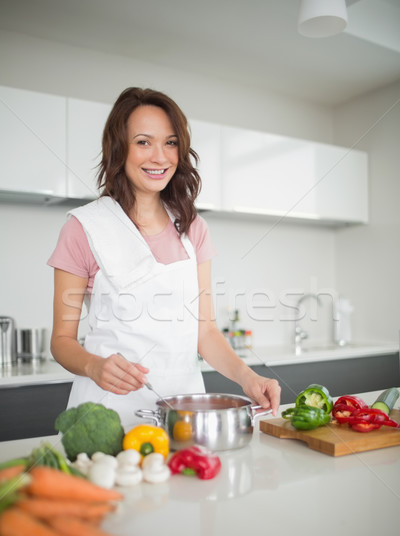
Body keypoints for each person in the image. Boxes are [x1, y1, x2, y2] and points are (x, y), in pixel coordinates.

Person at [48, 87, 281, 429]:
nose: (159, 157)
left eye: (170, 142)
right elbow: (62, 341)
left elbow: (207, 331)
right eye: (143, 142)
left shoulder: (192, 227)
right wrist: (93, 366)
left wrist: (248, 378)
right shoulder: (85, 227)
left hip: (183, 416)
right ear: (120, 148)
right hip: (107, 416)